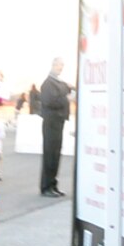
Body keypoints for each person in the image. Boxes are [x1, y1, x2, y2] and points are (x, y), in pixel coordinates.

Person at [39, 58, 72, 197]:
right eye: (59, 65)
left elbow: (67, 89)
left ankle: (53, 184)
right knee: (50, 155)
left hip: (58, 122)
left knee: (56, 154)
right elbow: (50, 101)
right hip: (51, 122)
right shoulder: (48, 84)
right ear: (53, 65)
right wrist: (66, 97)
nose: (61, 68)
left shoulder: (58, 83)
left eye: (62, 65)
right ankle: (46, 186)